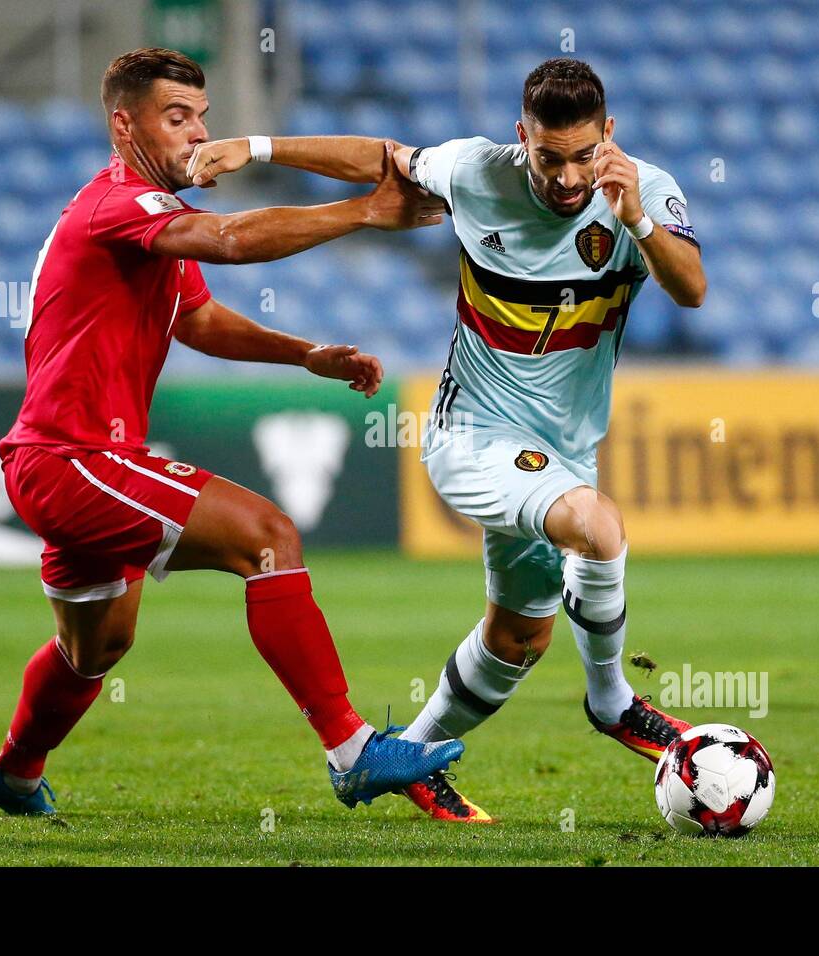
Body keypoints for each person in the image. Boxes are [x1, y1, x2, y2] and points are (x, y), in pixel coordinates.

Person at [188, 57, 708, 822]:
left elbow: (692, 289)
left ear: (610, 137)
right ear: (520, 137)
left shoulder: (644, 192)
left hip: (562, 449)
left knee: (518, 638)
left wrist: (636, 219)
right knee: (599, 527)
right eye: (548, 157)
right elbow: (382, 158)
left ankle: (403, 762)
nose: (567, 178)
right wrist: (256, 147)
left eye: (583, 156)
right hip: (470, 436)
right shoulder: (473, 171)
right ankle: (612, 701)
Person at [0, 47, 462, 816]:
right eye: (175, 118)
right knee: (268, 535)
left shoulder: (149, 217)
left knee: (96, 647)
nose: (197, 135)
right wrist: (363, 211)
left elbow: (197, 318)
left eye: (201, 116)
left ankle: (13, 772)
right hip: (73, 460)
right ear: (124, 125)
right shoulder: (116, 204)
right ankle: (352, 749)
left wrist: (306, 355)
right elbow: (229, 240)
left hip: (69, 463)